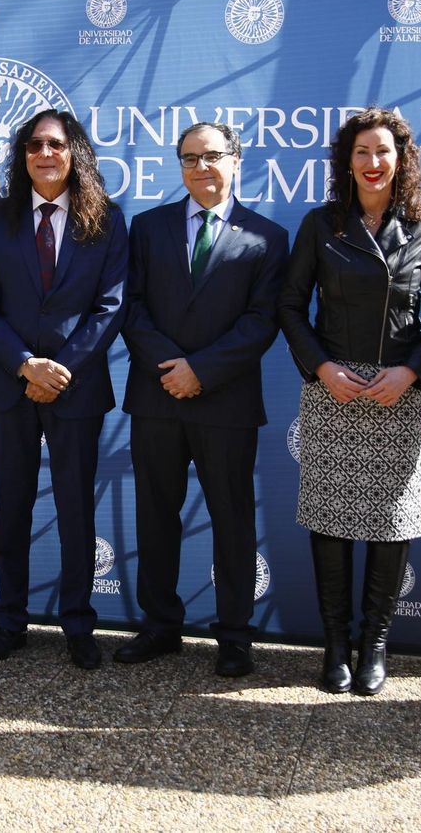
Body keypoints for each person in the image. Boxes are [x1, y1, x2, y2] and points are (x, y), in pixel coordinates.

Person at [278, 107, 421, 696]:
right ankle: (336, 645)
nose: (373, 162)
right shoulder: (321, 224)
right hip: (332, 390)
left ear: (401, 159)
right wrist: (321, 367)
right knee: (330, 518)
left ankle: (375, 644)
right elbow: (289, 306)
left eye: (383, 151)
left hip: (397, 396)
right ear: (347, 161)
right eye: (362, 152)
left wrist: (410, 372)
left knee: (391, 523)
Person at [116, 122, 289, 678]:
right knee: (155, 516)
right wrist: (172, 368)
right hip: (157, 394)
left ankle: (234, 635)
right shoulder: (147, 227)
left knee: (232, 520)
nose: (201, 167)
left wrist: (202, 371)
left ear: (235, 160)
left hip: (226, 401)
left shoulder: (268, 236)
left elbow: (262, 320)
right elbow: (130, 306)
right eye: (189, 158)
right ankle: (160, 626)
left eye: (212, 156)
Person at [0, 109, 127, 670]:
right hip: (10, 385)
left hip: (75, 389)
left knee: (75, 507)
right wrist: (25, 365)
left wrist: (60, 370)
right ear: (23, 156)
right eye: (34, 145)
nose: (45, 153)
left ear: (74, 152)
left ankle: (78, 625)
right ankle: (9, 622)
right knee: (11, 507)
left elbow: (111, 306)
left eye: (56, 144)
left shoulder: (106, 219)